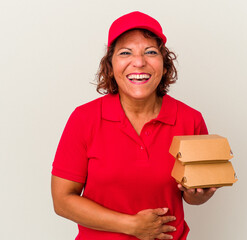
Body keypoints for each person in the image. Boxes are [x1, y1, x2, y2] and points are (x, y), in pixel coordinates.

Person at [51, 11, 218, 240]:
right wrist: (132, 225)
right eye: (125, 53)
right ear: (110, 65)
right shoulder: (84, 119)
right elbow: (62, 201)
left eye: (150, 52)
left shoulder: (190, 120)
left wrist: (198, 195)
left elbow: (191, 194)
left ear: (165, 64)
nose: (139, 62)